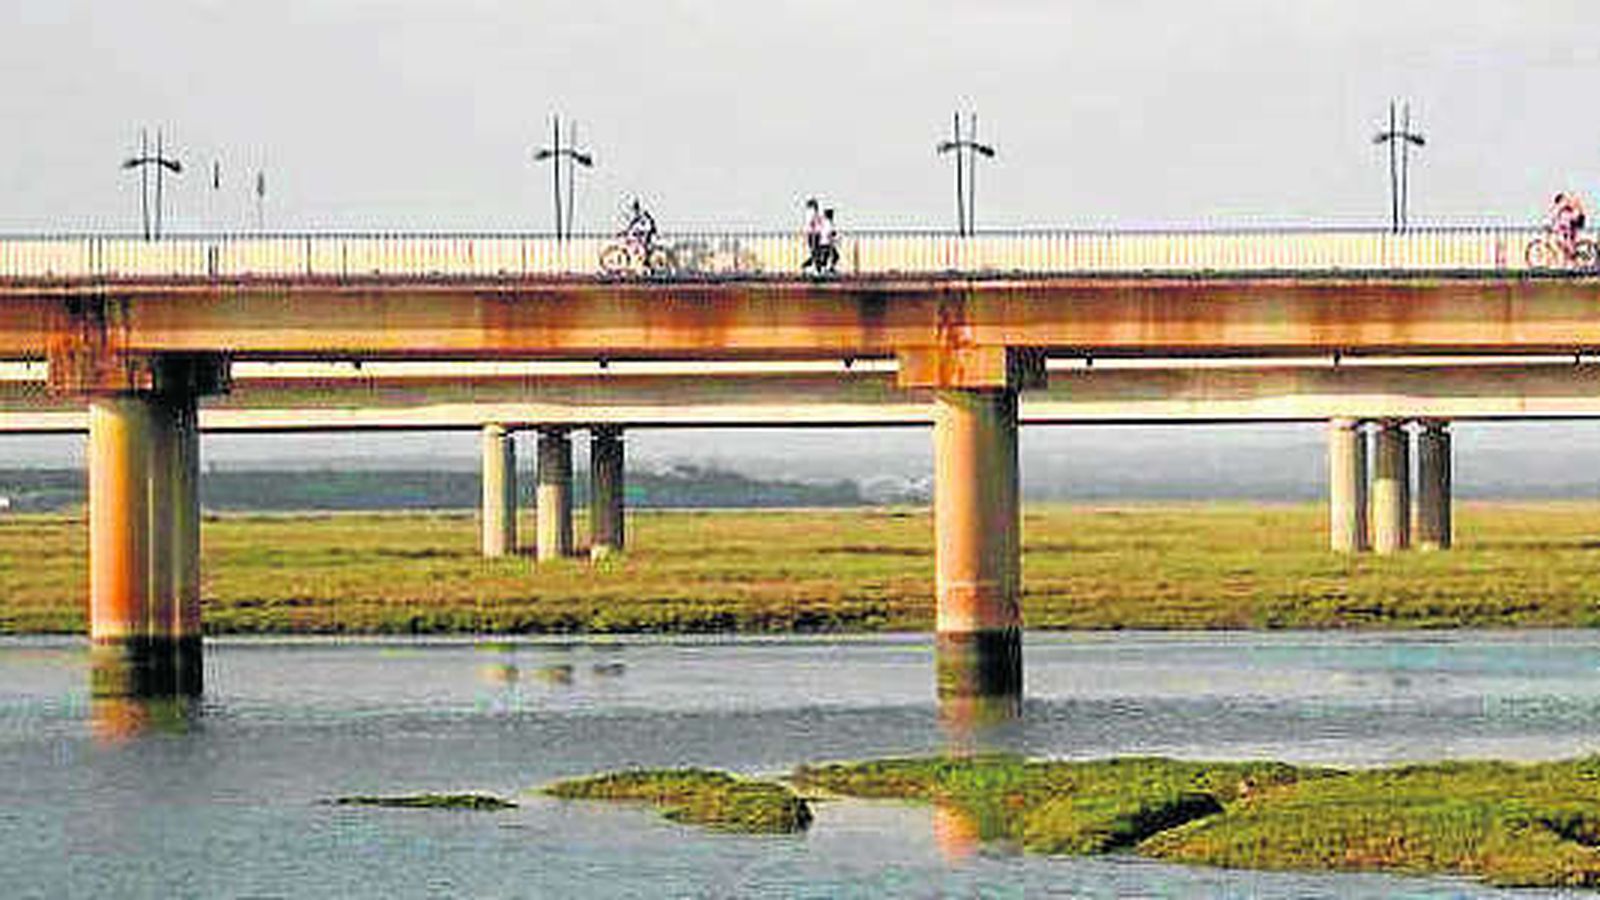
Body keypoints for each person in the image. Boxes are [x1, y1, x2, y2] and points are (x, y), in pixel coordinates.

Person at [1549, 192, 1586, 261]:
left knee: (1566, 240)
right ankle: (1571, 253)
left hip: (1572, 223)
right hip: (1572, 223)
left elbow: (1561, 219)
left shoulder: (1565, 205)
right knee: (1566, 241)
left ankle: (1573, 253)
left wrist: (1554, 227)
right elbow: (1558, 218)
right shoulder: (1567, 205)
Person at [802, 198, 825, 273]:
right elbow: (812, 224)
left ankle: (814, 267)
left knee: (816, 252)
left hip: (815, 235)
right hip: (813, 235)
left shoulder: (816, 214)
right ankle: (815, 267)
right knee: (815, 252)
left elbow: (816, 224)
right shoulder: (813, 214)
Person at [818, 208, 839, 273]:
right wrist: (833, 236)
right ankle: (824, 270)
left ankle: (828, 269)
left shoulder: (826, 223)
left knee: (832, 256)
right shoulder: (828, 223)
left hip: (824, 242)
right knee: (831, 257)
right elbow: (829, 233)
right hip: (826, 243)